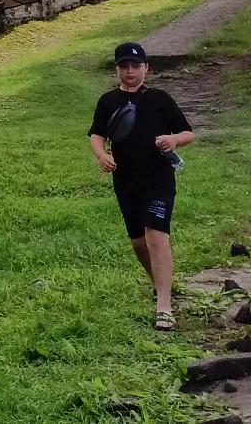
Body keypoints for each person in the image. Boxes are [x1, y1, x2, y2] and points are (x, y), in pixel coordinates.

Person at [88, 41, 195, 331]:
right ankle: (160, 282)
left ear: (147, 67)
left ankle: (164, 305)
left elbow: (188, 133)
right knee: (138, 241)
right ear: (117, 69)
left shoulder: (160, 98)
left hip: (159, 177)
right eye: (124, 66)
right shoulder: (108, 101)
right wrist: (102, 155)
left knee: (156, 234)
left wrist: (173, 140)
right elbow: (96, 134)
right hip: (125, 180)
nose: (130, 72)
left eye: (136, 66)